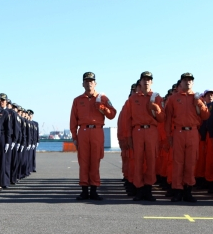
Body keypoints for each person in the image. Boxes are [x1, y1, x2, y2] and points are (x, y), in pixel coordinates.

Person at [69, 72, 117, 200]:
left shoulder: (103, 98)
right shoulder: (77, 100)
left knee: (95, 160)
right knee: (83, 161)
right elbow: (73, 120)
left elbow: (112, 114)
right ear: (83, 84)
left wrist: (103, 108)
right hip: (83, 131)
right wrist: (74, 136)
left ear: (95, 84)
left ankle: (94, 189)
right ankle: (84, 189)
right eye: (87, 81)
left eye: (91, 81)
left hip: (97, 131)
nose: (89, 83)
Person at [164, 72, 209, 202]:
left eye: (190, 80)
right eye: (185, 80)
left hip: (193, 132)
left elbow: (206, 116)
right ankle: (178, 190)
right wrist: (168, 135)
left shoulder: (197, 98)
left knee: (191, 162)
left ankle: (188, 190)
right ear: (181, 83)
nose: (188, 82)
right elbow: (167, 119)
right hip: (178, 132)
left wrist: (199, 103)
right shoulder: (173, 98)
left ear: (193, 83)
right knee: (178, 163)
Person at [123, 71, 165, 201]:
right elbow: (127, 120)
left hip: (151, 130)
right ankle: (139, 190)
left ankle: (148, 190)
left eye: (149, 79)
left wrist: (156, 108)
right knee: (138, 161)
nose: (146, 81)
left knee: (151, 160)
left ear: (151, 82)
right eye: (144, 79)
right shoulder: (133, 99)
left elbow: (162, 118)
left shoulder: (157, 98)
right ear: (140, 82)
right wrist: (128, 137)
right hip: (137, 131)